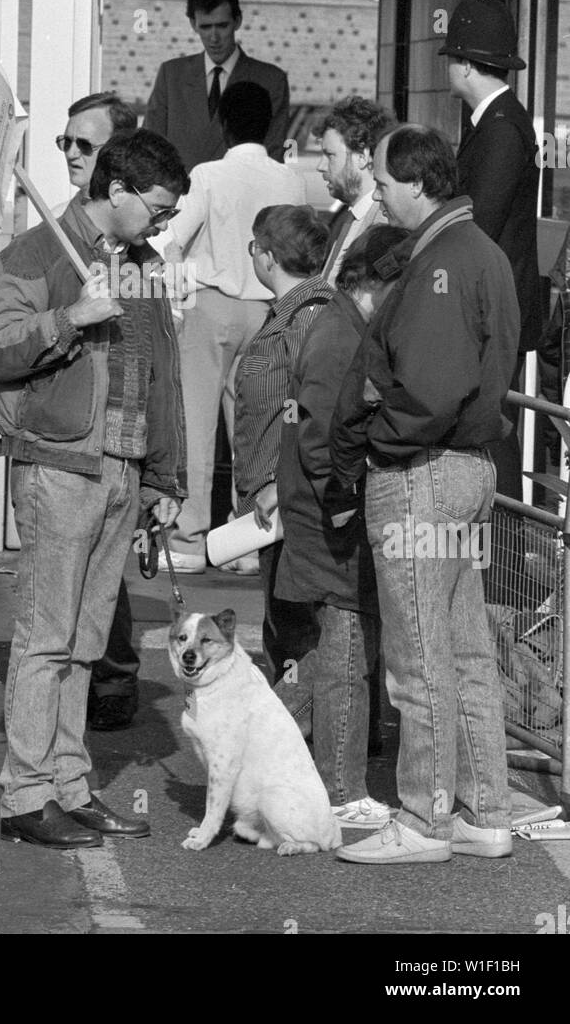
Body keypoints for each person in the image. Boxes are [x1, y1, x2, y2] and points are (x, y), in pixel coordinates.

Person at [0, 128, 188, 849]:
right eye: (157, 207)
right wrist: (70, 317)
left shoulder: (144, 265)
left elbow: (164, 373)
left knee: (84, 641)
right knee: (45, 637)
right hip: (59, 465)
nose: (164, 221)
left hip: (122, 471)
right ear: (119, 191)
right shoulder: (36, 253)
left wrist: (166, 477)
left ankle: (68, 785)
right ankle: (24, 794)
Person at [329, 125, 518, 865]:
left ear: (413, 182)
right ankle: (482, 813)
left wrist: (377, 437)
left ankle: (423, 818)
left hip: (424, 471)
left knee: (418, 656)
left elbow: (430, 391)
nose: (376, 193)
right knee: (464, 648)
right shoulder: (481, 250)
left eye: (381, 180)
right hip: (466, 469)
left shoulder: (442, 259)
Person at [276, 224, 408, 829]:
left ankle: (256, 746)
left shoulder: (342, 325)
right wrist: (345, 501)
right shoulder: (338, 335)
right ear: (374, 282)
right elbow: (319, 434)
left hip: (323, 505)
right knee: (347, 650)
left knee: (330, 651)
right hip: (329, 509)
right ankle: (340, 788)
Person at [156, 81, 306, 572]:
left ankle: (188, 542)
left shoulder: (208, 174)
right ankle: (246, 542)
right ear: (270, 125)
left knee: (195, 428)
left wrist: (179, 285)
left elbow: (171, 237)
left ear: (221, 121)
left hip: (211, 305)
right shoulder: (292, 181)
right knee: (257, 428)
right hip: (268, 311)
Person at [442, 0, 542, 606]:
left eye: (452, 55)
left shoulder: (502, 129)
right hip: (492, 306)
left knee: (494, 442)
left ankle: (502, 588)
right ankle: (494, 583)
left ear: (467, 65)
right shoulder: (495, 122)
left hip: (496, 311)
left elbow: (476, 217)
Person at [53, 89, 143, 733]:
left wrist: (167, 473)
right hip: (63, 435)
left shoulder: (143, 254)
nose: (71, 155)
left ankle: (110, 677)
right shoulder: (54, 230)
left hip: (117, 433)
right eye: (66, 143)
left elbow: (153, 359)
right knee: (62, 579)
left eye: (85, 144)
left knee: (101, 573)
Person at [233, 204, 332, 686]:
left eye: (254, 247)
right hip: (285, 493)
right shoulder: (296, 313)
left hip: (291, 498)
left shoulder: (305, 317)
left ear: (268, 257)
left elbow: (316, 409)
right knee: (288, 623)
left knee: (295, 626)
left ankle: (306, 736)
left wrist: (278, 481)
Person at [144, 0, 290, 171]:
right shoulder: (171, 76)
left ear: (237, 21)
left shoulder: (271, 81)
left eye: (222, 26)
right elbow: (148, 151)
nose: (214, 38)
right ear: (193, 24)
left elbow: (273, 158)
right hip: (179, 199)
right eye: (205, 27)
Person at [314, 97, 396, 283]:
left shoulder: (383, 225)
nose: (321, 165)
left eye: (330, 155)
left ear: (363, 156)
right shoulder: (350, 217)